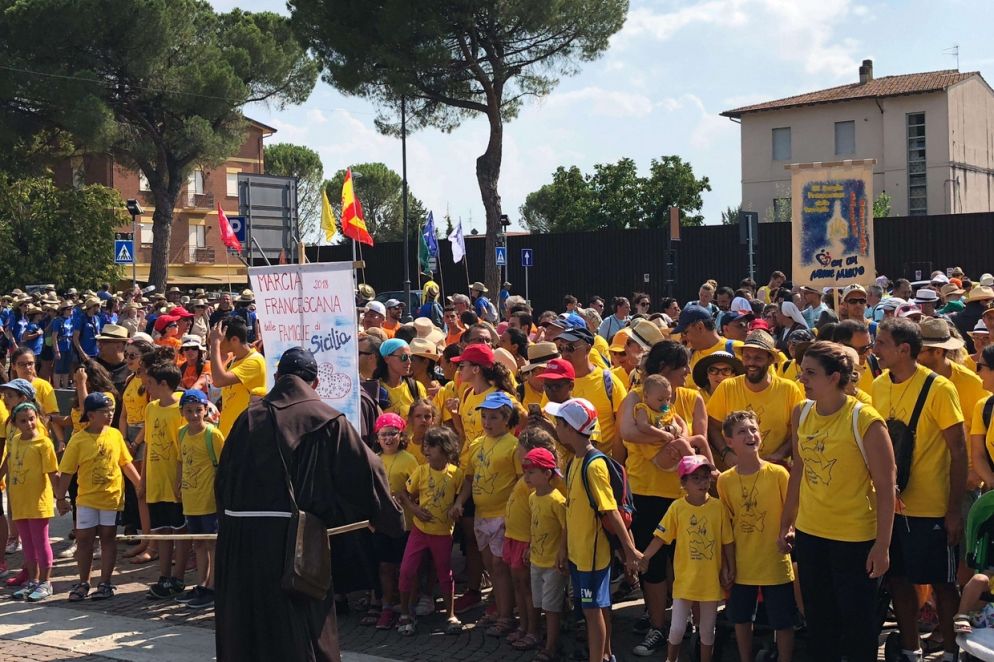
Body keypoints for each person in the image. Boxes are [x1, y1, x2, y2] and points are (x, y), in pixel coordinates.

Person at [215, 347, 403, 662]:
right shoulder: (326, 418)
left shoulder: (247, 417)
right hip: (290, 545)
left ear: (276, 378)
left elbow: (221, 483)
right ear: (315, 384)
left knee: (245, 631)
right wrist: (388, 519)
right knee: (297, 632)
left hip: (239, 545)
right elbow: (367, 472)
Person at [779, 341, 895, 662]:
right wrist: (786, 523)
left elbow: (887, 488)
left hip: (855, 538)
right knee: (818, 623)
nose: (802, 379)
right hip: (811, 534)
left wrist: (882, 546)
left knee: (857, 626)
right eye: (802, 371)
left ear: (834, 377)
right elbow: (798, 472)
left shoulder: (865, 420)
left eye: (811, 373)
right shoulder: (801, 412)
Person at [872, 318, 966, 662]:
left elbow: (959, 450)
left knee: (942, 585)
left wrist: (954, 511)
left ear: (904, 350)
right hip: (891, 508)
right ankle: (911, 651)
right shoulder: (879, 385)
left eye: (881, 343)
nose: (874, 349)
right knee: (898, 580)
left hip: (932, 508)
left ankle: (952, 651)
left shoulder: (940, 388)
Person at [547, 397, 640, 662]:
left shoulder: (593, 465)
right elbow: (571, 508)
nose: (556, 426)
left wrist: (629, 550)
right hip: (578, 553)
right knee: (598, 608)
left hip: (592, 555)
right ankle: (605, 654)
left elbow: (610, 510)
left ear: (571, 428)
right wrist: (564, 548)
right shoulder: (574, 461)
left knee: (592, 611)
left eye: (559, 422)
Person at [716, 411, 795, 662]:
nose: (750, 435)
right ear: (729, 442)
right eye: (742, 432)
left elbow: (792, 513)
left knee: (783, 621)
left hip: (775, 562)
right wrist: (728, 563)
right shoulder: (725, 481)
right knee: (741, 617)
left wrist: (789, 533)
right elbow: (728, 524)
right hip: (743, 563)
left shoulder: (778, 473)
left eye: (753, 429)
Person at [639, 455, 734, 662]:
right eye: (696, 478)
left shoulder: (719, 508)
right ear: (683, 483)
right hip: (684, 581)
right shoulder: (676, 508)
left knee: (707, 630)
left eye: (706, 477)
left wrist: (730, 568)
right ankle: (670, 659)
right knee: (677, 628)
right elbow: (661, 537)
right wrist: (644, 557)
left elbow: (727, 541)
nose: (703, 482)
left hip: (710, 582)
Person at [55, 392, 143, 601]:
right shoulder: (78, 440)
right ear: (91, 415)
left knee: (108, 538)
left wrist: (139, 484)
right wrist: (60, 498)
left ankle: (105, 582)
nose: (110, 414)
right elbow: (67, 471)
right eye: (104, 411)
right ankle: (83, 581)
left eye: (111, 410)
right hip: (86, 498)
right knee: (84, 539)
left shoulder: (115, 435)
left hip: (111, 499)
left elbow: (125, 463)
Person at [449, 391, 520, 636]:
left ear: (507, 418)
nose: (487, 422)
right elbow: (469, 478)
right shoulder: (478, 443)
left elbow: (523, 482)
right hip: (481, 514)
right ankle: (500, 607)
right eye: (485, 417)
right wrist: (460, 501)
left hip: (504, 515)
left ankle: (506, 616)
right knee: (491, 566)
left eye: (493, 417)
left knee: (501, 567)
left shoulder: (514, 445)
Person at [396, 425, 464, 636]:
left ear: (445, 449)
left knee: (445, 573)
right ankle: (405, 612)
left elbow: (465, 488)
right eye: (425, 445)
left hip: (443, 532)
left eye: (431, 446)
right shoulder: (421, 471)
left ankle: (450, 614)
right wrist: (415, 509)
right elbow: (403, 494)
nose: (426, 450)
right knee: (407, 570)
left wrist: (458, 504)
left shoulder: (456, 474)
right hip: (419, 530)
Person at [707, 330, 804, 466]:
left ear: (770, 360)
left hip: (776, 470)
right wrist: (726, 453)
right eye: (747, 357)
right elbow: (712, 426)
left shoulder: (789, 389)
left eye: (758, 358)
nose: (751, 363)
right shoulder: (727, 387)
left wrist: (781, 453)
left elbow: (800, 429)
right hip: (737, 470)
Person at [142, 354, 190, 600]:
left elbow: (185, 447)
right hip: (156, 480)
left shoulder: (182, 407)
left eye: (150, 383)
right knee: (161, 530)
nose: (146, 387)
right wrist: (143, 479)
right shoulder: (150, 408)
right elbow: (149, 445)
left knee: (180, 531)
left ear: (163, 384)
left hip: (176, 481)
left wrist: (182, 480)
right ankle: (163, 575)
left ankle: (178, 577)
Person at [367, 412, 418, 632]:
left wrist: (405, 497)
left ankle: (407, 607)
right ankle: (387, 606)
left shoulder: (409, 459)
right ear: (377, 437)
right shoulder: (373, 458)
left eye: (392, 434)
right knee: (385, 567)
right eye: (383, 434)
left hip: (405, 523)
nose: (388, 439)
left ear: (401, 435)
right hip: (381, 523)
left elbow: (418, 490)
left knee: (405, 568)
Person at [1, 402, 58, 601]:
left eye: (32, 419)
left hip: (38, 501)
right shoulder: (15, 440)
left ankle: (45, 582)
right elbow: (8, 461)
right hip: (19, 500)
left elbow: (52, 472)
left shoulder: (44, 443)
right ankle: (32, 581)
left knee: (40, 542)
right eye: (23, 421)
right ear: (15, 424)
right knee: (27, 544)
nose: (29, 424)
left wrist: (60, 498)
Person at [176, 389, 225, 609]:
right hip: (191, 497)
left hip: (209, 499)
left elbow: (223, 466)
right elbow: (180, 461)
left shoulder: (212, 435)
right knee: (198, 543)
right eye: (189, 411)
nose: (194, 415)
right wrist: (178, 483)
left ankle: (214, 586)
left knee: (212, 544)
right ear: (182, 412)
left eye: (198, 410)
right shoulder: (182, 433)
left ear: (206, 410)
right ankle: (202, 584)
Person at [523, 443, 567, 662]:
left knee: (551, 607)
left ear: (547, 473)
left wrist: (562, 552)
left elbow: (566, 527)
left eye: (531, 472)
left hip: (552, 564)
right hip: (536, 559)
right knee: (538, 602)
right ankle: (542, 637)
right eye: (525, 472)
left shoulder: (557, 499)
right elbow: (535, 524)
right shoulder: (532, 498)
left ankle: (551, 646)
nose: (527, 477)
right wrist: (530, 546)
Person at [209, 317, 266, 437]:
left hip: (243, 435)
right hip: (229, 432)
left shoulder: (255, 361)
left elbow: (219, 380)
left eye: (221, 339)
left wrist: (214, 344)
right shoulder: (235, 359)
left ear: (234, 339)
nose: (218, 342)